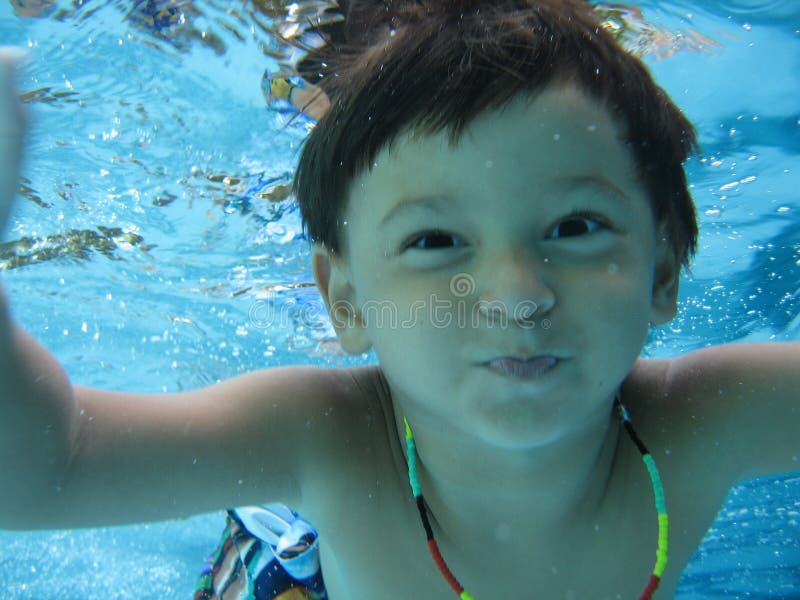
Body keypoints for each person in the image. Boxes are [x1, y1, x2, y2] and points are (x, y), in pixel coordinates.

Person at [1, 1, 798, 599]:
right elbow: (47, 472)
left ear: (663, 271)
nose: (517, 296)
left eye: (576, 225)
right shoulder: (330, 441)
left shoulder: (711, 419)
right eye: (435, 241)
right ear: (346, 302)